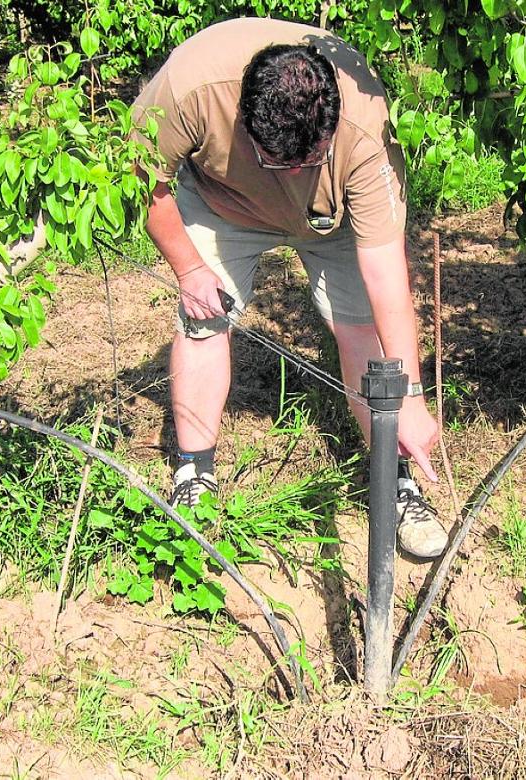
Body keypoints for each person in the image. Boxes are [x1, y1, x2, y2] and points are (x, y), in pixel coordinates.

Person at [131, 17, 450, 558]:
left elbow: (385, 274)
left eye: (309, 161)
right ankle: (194, 477)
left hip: (330, 218)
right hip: (223, 204)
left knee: (361, 329)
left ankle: (395, 481)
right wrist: (188, 269)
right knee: (204, 321)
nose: (292, 173)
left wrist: (412, 397)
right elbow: (141, 182)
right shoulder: (190, 87)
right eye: (277, 161)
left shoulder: (365, 126)